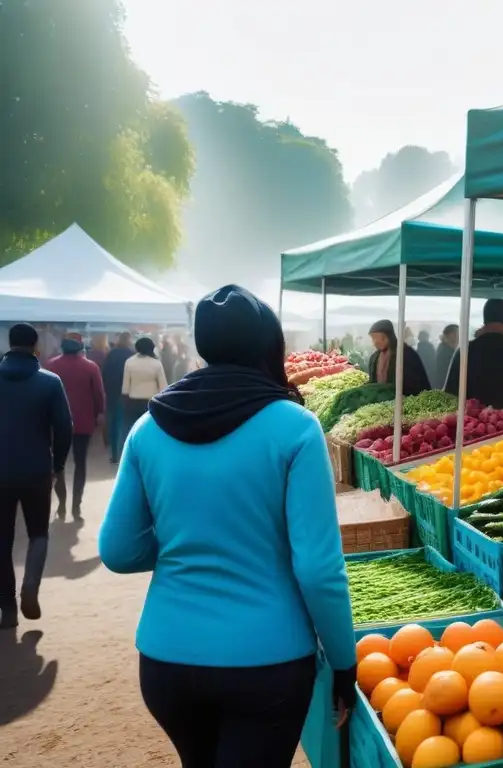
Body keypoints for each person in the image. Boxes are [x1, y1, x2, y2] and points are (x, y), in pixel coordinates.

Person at [98, 285, 356, 766]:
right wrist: (344, 663)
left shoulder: (148, 429)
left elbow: (117, 550)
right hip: (268, 665)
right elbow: (319, 569)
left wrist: (185, 542)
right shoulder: (295, 427)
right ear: (267, 343)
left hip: (166, 660)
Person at [0, 324, 73, 629]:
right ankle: (32, 582)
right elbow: (65, 428)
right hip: (36, 469)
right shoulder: (49, 382)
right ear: (36, 346)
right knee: (38, 533)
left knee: (1, 541)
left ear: (8, 343)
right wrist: (56, 466)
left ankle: (8, 609)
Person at [46, 333, 105, 521]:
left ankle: (62, 503)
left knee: (58, 464)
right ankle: (76, 506)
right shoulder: (90, 367)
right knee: (80, 463)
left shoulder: (52, 365)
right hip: (83, 421)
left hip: (56, 422)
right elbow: (98, 393)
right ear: (80, 349)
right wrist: (99, 414)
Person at [366, 319, 431, 395]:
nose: (374, 342)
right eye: (373, 338)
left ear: (387, 337)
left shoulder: (406, 355)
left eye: (376, 338)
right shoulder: (374, 358)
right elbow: (373, 382)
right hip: (381, 401)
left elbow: (416, 385)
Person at [122, 337, 168, 436]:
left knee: (133, 430)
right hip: (150, 402)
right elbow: (163, 387)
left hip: (133, 402)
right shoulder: (156, 363)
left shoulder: (129, 361)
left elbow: (125, 387)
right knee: (149, 431)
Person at [103, 333, 135, 463]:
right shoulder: (132, 355)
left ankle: (114, 454)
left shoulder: (111, 354)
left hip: (111, 392)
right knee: (123, 423)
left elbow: (104, 373)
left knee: (113, 423)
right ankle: (124, 454)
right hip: (127, 394)